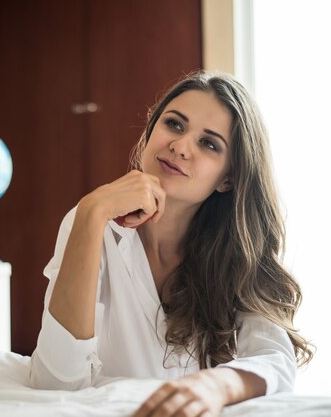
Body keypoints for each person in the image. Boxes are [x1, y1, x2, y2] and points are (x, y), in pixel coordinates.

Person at [29, 71, 313, 416]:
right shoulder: (91, 222)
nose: (180, 146)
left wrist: (216, 384)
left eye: (209, 144)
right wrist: (92, 211)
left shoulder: (237, 251)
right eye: (175, 125)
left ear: (228, 178)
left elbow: (275, 359)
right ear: (150, 132)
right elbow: (56, 382)